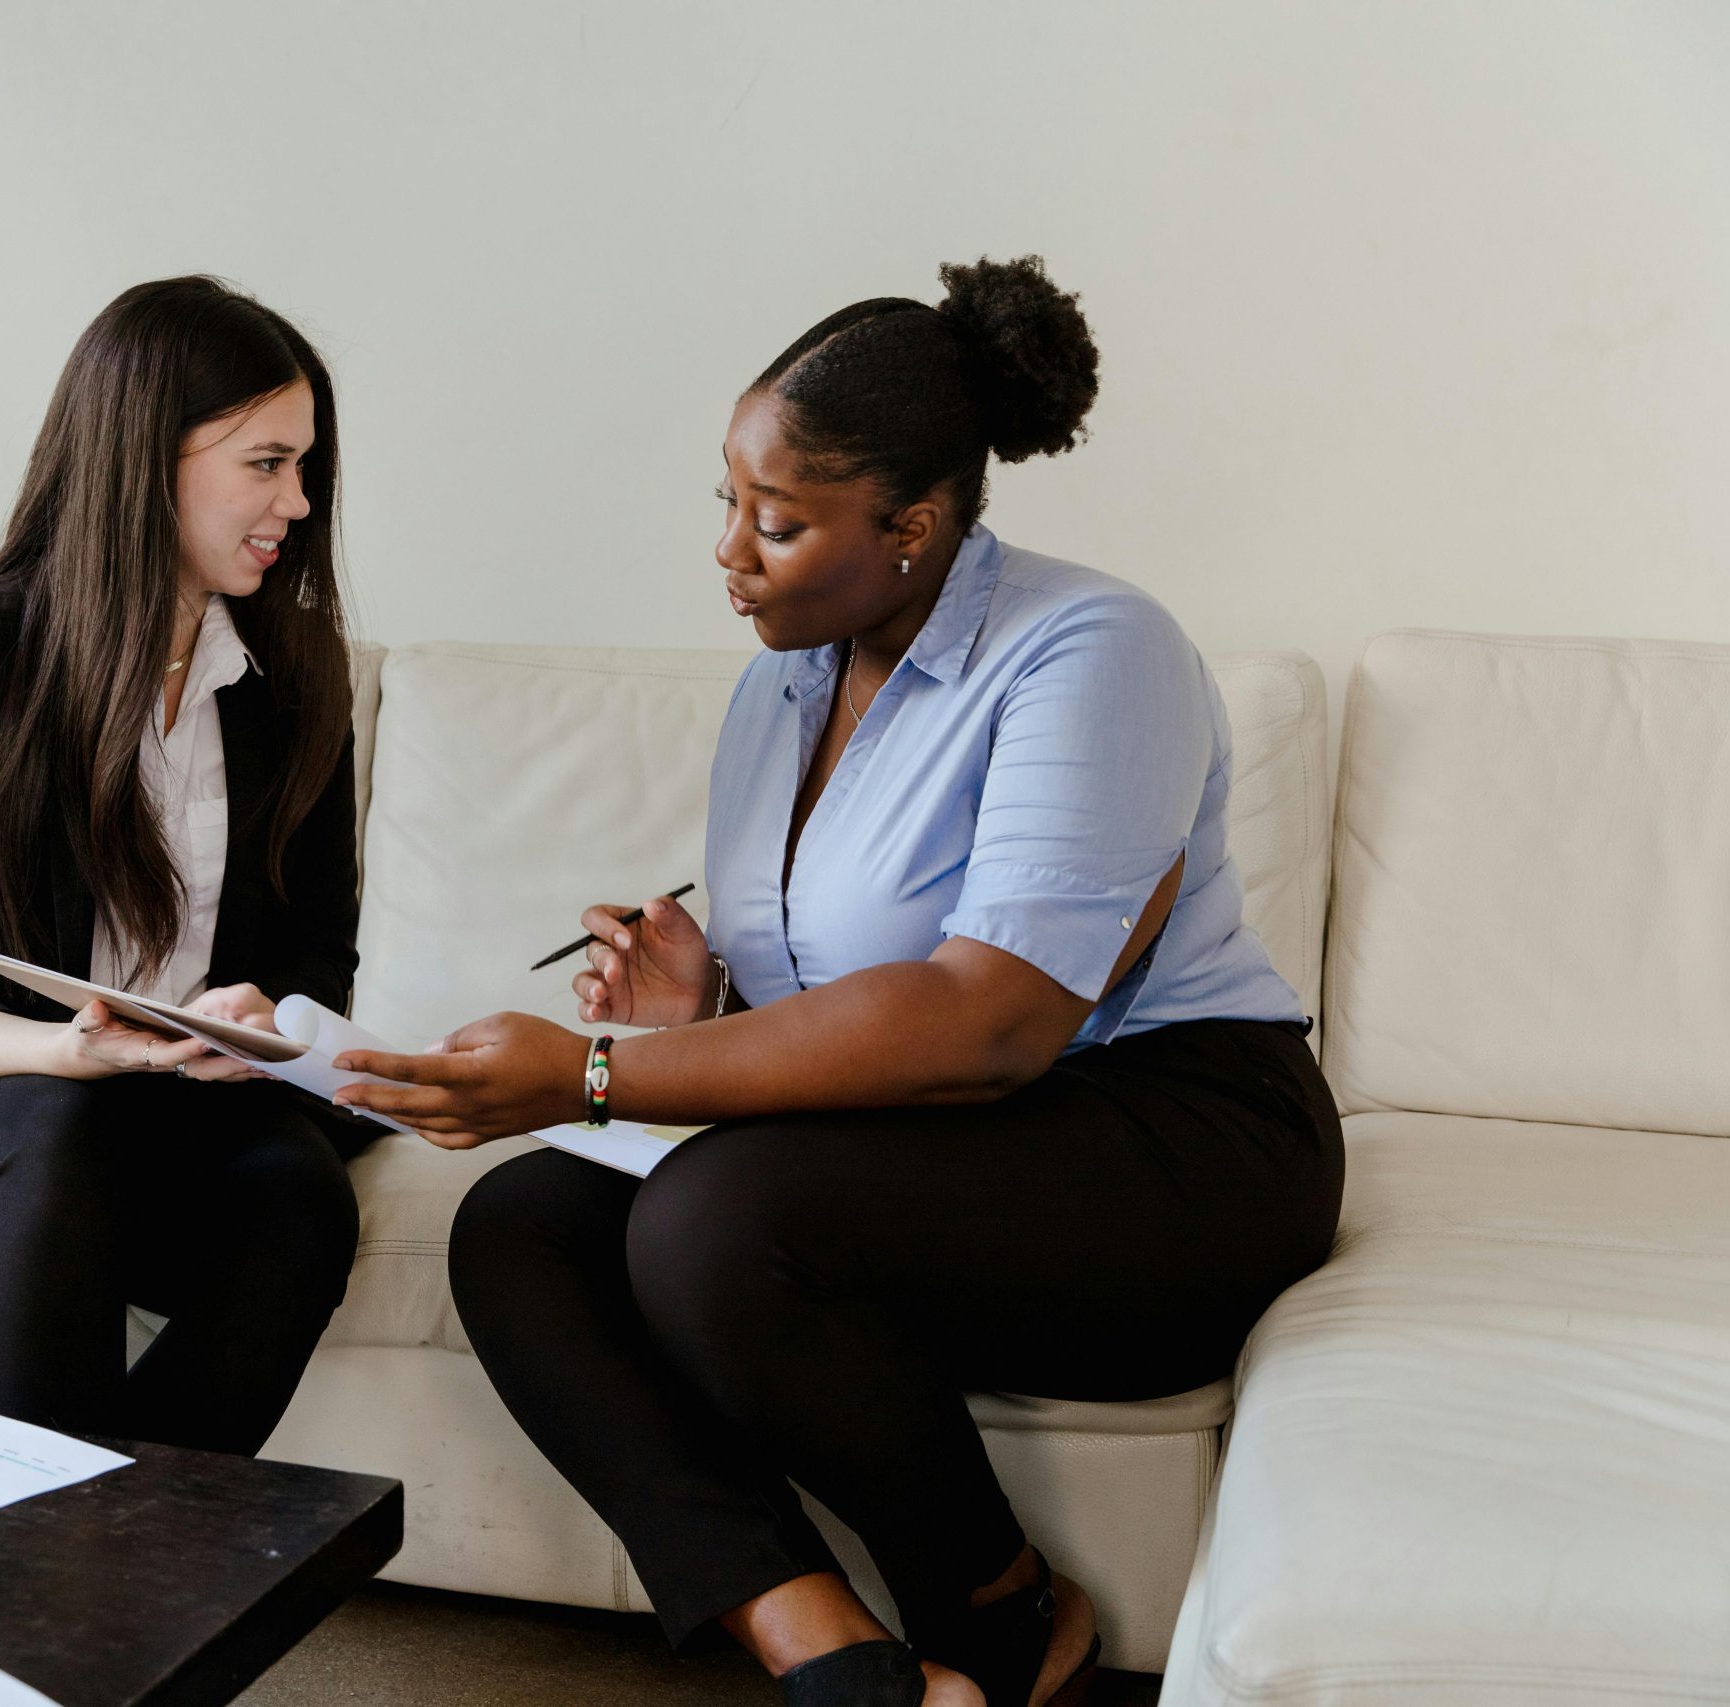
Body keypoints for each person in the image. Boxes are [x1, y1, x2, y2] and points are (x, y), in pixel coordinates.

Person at [329, 258, 1345, 1707]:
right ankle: (836, 1655)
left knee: (713, 1220)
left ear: (913, 526)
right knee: (524, 1224)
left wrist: (593, 1070)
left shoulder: (1093, 651)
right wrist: (708, 1012)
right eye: (728, 503)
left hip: (1179, 1139)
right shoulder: (780, 685)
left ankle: (1001, 1610)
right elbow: (856, 1016)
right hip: (955, 1138)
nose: (731, 551)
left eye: (781, 518)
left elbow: (987, 1021)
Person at [0, 276, 372, 1455]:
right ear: (146, 457)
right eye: (265, 465)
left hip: (180, 1107)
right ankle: (55, 1560)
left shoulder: (297, 684)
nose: (299, 503)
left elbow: (321, 956)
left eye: (304, 467)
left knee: (300, 1193)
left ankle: (113, 1562)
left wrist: (259, 1017)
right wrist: (68, 1052)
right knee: (64, 1139)